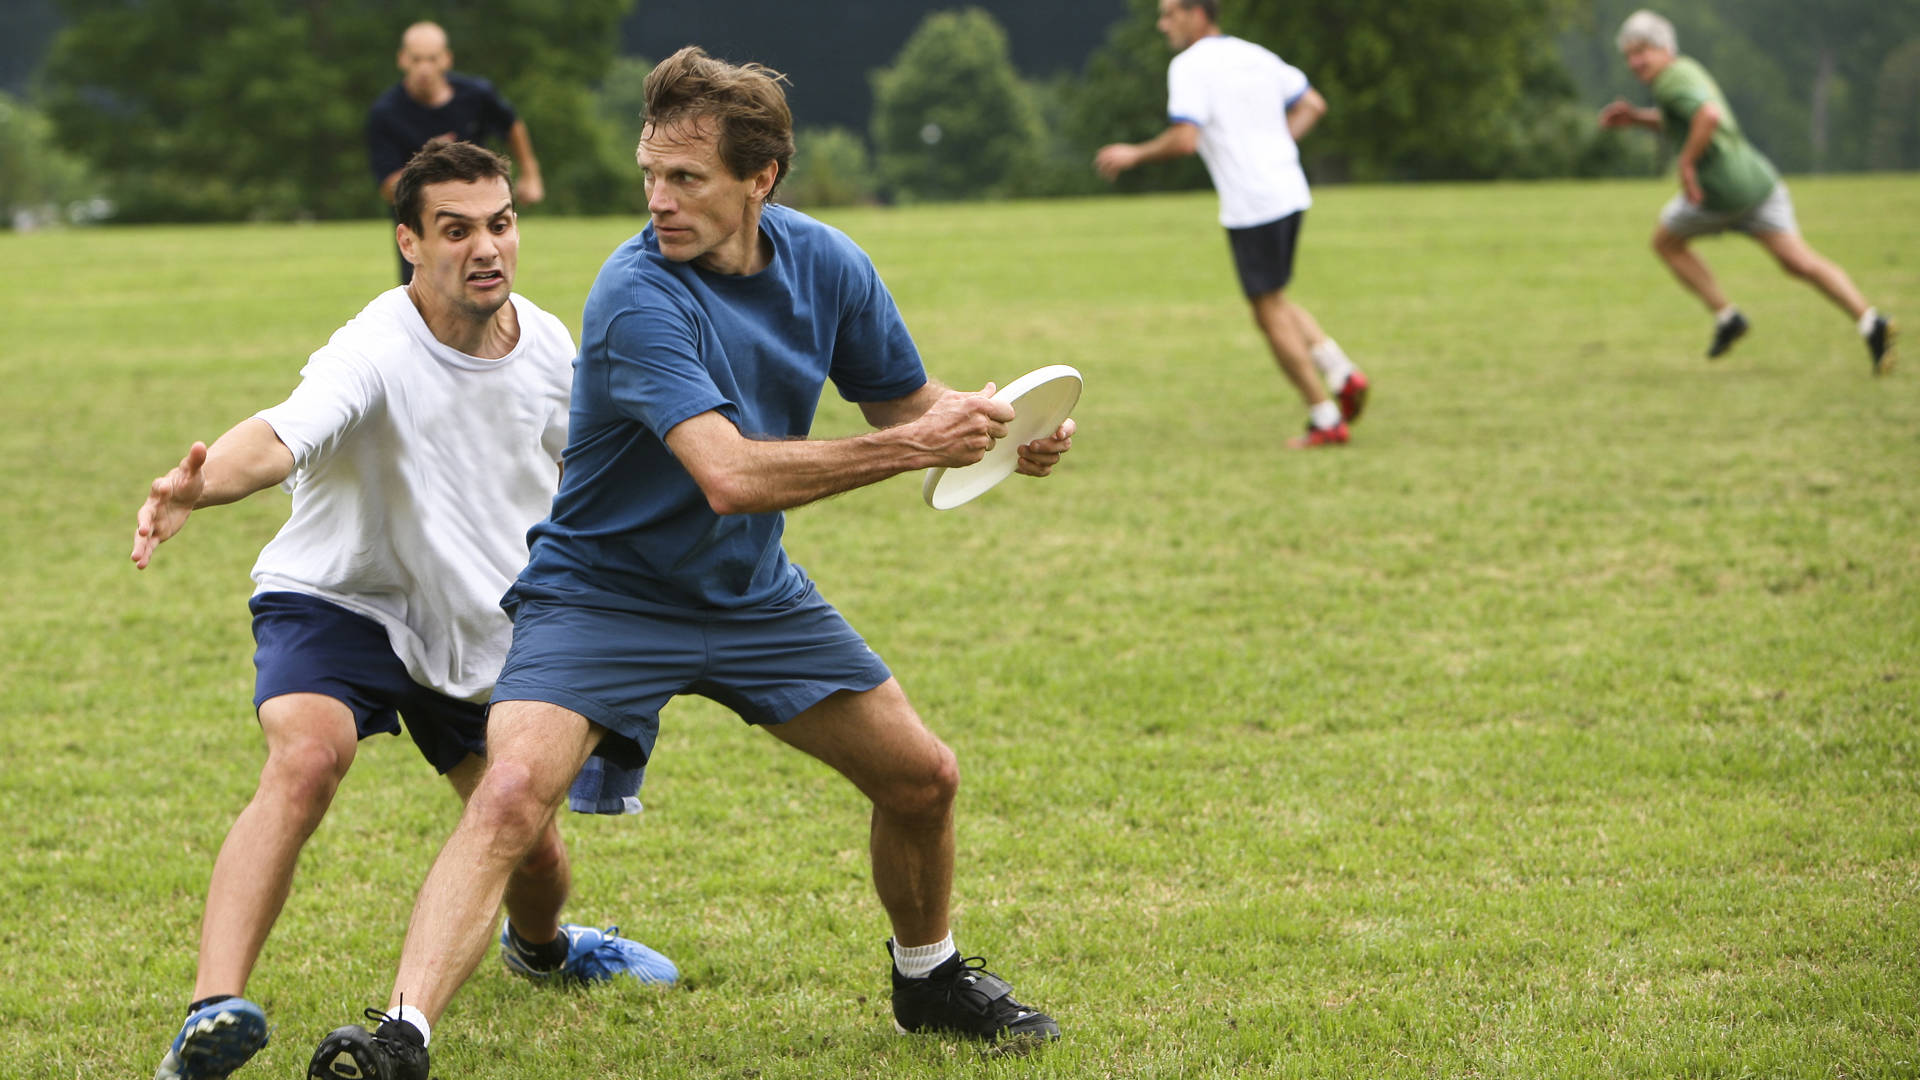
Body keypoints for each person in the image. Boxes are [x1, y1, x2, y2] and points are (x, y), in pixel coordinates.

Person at [305, 46, 1070, 1079]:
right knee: (511, 794)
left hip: (751, 592)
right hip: (602, 595)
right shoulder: (636, 291)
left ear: (761, 181)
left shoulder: (828, 265)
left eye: (686, 179)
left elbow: (899, 401)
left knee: (924, 779)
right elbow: (729, 474)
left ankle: (926, 976)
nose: (658, 201)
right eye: (649, 176)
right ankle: (399, 1036)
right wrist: (911, 449)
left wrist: (994, 424)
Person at [135, 141, 673, 1080]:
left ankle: (544, 949)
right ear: (409, 243)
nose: (485, 247)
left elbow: (599, 462)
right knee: (306, 761)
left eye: (500, 224)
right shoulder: (377, 343)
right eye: (456, 230)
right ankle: (209, 1014)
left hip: (471, 623)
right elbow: (283, 432)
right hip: (341, 595)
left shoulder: (546, 346)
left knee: (534, 851)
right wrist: (201, 483)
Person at [1094, 0, 1370, 449]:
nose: (1163, 25)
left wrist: (1135, 154)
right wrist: (1277, 146)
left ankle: (1325, 417)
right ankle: (1341, 372)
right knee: (1274, 298)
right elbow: (1313, 104)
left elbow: (1185, 140)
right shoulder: (1253, 54)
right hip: (1288, 190)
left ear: (1197, 13)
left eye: (1169, 15)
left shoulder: (1188, 66)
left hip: (1253, 201)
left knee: (1266, 313)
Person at [1600, 10, 1896, 371]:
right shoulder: (1684, 73)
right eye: (1629, 55)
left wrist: (1687, 164)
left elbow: (1706, 117)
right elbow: (1685, 120)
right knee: (1800, 263)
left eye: (1641, 51)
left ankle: (1727, 316)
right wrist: (1636, 118)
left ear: (1664, 48)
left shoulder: (1670, 80)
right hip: (1757, 184)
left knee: (1665, 242)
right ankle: (1871, 322)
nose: (1634, 62)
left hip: (1719, 193)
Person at [367, 21, 545, 285]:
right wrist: (434, 165)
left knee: (487, 283)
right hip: (424, 222)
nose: (424, 68)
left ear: (446, 59)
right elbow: (388, 187)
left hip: (482, 211)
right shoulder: (385, 113)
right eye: (416, 59)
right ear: (403, 60)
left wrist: (530, 173)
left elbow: (512, 125)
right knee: (426, 295)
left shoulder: (477, 95)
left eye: (432, 59)